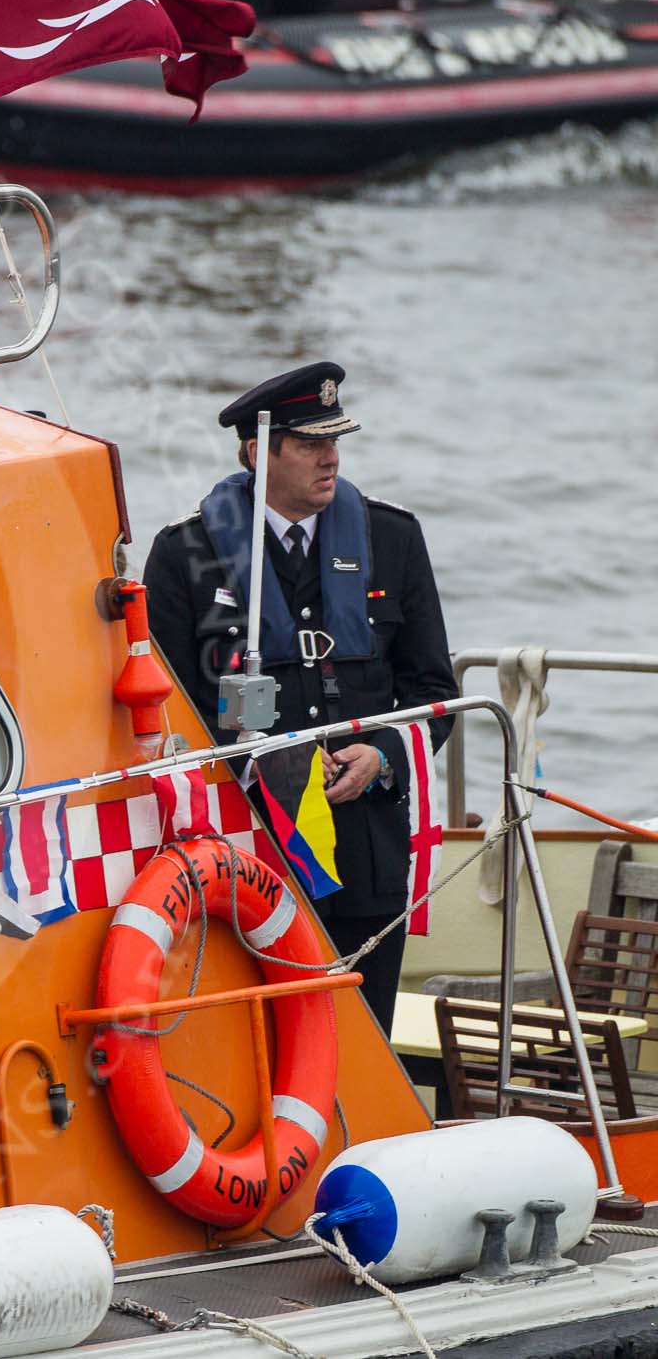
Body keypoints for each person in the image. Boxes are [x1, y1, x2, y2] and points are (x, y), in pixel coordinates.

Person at [142, 362, 458, 1033]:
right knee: (258, 1043)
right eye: (311, 443)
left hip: (365, 852)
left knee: (363, 1033)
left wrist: (380, 755)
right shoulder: (184, 556)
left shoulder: (392, 540)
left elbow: (433, 693)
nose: (332, 456)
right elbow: (166, 719)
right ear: (260, 453)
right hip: (249, 854)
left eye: (335, 440)